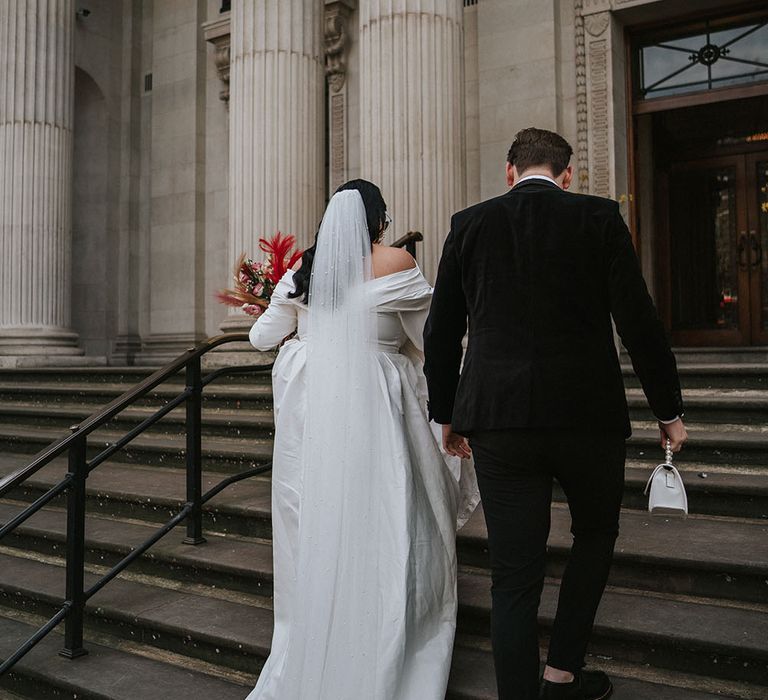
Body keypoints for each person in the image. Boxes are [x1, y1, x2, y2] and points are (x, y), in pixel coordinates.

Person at [423, 128, 687, 700]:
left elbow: (442, 330)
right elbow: (638, 322)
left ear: (509, 172)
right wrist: (667, 409)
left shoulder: (469, 224)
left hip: (497, 417)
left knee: (513, 576)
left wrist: (445, 411)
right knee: (594, 536)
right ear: (568, 175)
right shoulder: (598, 217)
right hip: (586, 415)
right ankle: (563, 674)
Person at [246, 180, 478, 700]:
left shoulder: (302, 271)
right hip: (377, 406)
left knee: (317, 512)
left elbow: (261, 338)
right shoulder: (396, 263)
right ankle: (386, 630)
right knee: (386, 509)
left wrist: (296, 320)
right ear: (378, 220)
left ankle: (318, 626)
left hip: (313, 415)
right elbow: (431, 339)